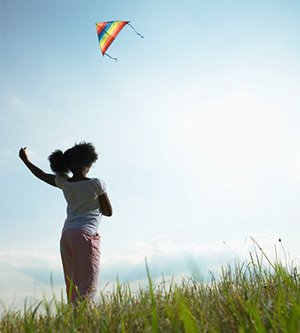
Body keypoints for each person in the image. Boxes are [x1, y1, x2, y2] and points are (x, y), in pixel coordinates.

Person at [19, 142, 112, 304]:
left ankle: (73, 318)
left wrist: (26, 161)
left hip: (67, 236)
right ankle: (85, 321)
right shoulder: (96, 184)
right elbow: (108, 211)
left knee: (73, 281)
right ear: (88, 162)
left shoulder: (65, 183)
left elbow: (41, 174)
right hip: (85, 236)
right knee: (88, 283)